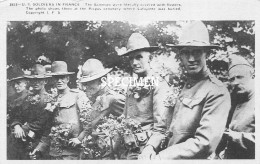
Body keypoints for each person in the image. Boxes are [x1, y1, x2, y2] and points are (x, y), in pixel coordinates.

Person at [153, 21, 231, 159]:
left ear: (206, 53)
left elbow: (204, 144)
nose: (191, 59)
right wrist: (150, 147)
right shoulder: (183, 85)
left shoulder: (217, 91)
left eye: (196, 52)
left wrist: (160, 158)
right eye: (185, 53)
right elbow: (164, 127)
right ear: (180, 56)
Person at [119, 33, 170, 160]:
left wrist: (150, 148)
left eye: (139, 57)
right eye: (131, 58)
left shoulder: (159, 84)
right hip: (129, 149)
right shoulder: (131, 86)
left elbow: (161, 127)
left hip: (148, 151)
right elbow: (125, 119)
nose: (134, 62)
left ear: (150, 58)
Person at [34, 61, 91, 160]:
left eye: (62, 77)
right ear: (52, 80)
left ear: (67, 79)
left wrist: (80, 138)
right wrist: (40, 148)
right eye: (56, 78)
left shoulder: (77, 95)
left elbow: (90, 121)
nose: (59, 81)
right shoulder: (51, 100)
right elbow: (48, 128)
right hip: (54, 153)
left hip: (72, 152)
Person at [76, 58, 125, 159]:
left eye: (90, 82)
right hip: (93, 150)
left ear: (102, 80)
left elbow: (133, 117)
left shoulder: (112, 98)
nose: (86, 87)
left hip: (110, 152)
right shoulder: (93, 97)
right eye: (85, 83)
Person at [7, 64, 52, 160]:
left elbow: (42, 123)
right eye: (33, 79)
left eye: (39, 79)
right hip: (23, 143)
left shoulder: (49, 100)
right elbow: (17, 116)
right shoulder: (26, 98)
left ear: (45, 81)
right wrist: (17, 125)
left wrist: (24, 128)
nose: (35, 82)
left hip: (40, 143)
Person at [215, 55, 255, 159]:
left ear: (252, 75)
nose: (235, 82)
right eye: (232, 79)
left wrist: (231, 135)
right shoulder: (238, 100)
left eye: (240, 77)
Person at [7, 66, 29, 134]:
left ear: (25, 83)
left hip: (23, 130)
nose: (15, 86)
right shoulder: (13, 97)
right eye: (14, 84)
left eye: (18, 83)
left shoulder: (28, 97)